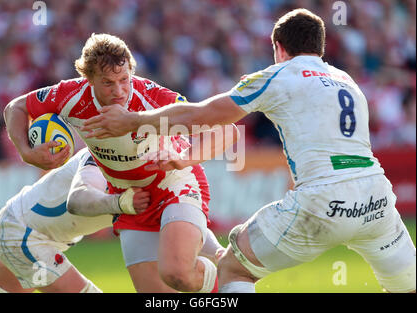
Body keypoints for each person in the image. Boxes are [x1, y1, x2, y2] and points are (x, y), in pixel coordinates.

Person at [80, 9, 416, 293]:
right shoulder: (346, 79)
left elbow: (201, 115)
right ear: (321, 47)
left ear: (278, 47)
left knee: (233, 270)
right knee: (407, 284)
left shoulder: (277, 74)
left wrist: (132, 121)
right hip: (377, 199)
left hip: (323, 200)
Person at [3, 33, 234, 293]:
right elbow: (15, 107)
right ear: (88, 79)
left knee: (177, 273)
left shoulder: (152, 96)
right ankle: (226, 267)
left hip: (175, 185)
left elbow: (224, 131)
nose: (119, 90)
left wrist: (184, 159)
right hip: (131, 200)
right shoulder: (70, 96)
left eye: (124, 79)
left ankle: (231, 276)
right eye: (108, 83)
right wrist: (26, 152)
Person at [0, 148, 149, 293]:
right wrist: (120, 204)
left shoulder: (156, 167)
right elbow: (78, 199)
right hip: (23, 233)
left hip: (28, 229)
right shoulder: (101, 154)